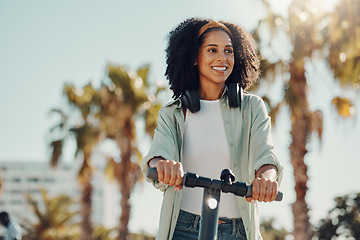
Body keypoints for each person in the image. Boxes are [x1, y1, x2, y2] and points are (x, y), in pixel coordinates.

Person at [141, 18, 283, 240]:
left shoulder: (252, 108)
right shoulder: (174, 113)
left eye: (228, 50)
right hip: (183, 229)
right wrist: (163, 166)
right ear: (195, 57)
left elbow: (265, 155)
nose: (222, 58)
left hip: (238, 231)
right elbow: (157, 155)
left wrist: (267, 179)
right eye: (212, 50)